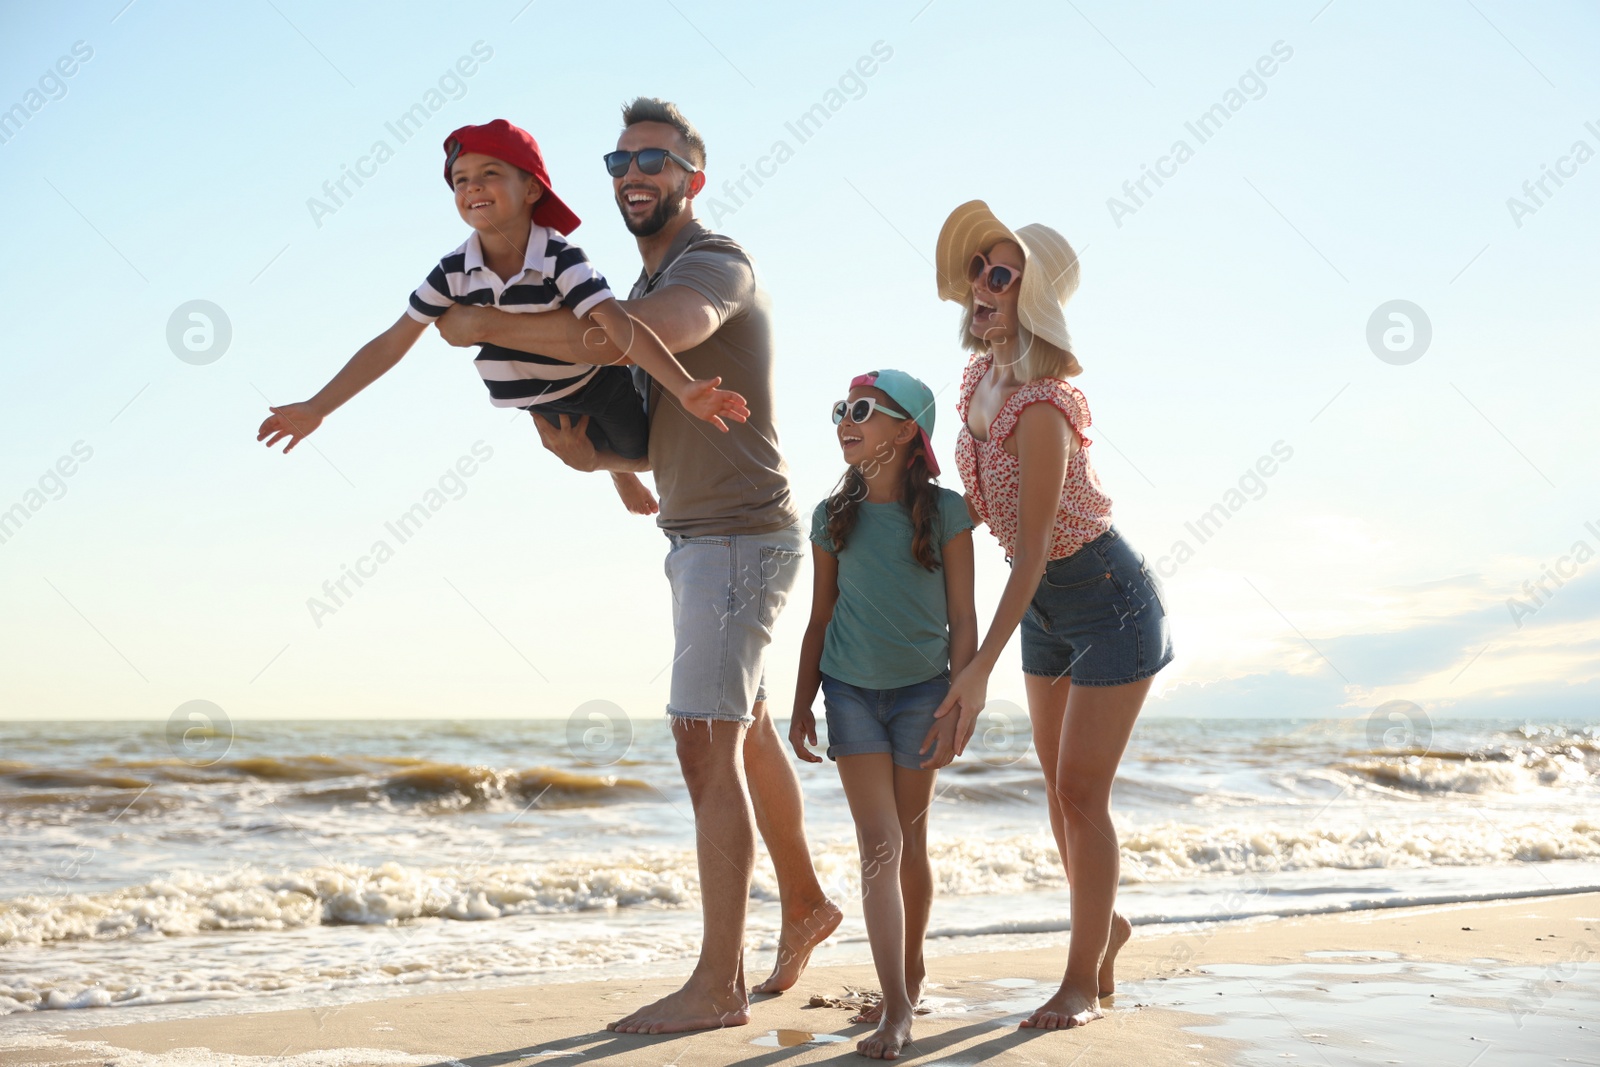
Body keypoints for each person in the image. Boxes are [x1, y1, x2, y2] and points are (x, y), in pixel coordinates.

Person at [428, 98, 843, 1034]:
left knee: (702, 739)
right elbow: (665, 424)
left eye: (654, 161)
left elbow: (619, 334)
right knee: (744, 734)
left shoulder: (712, 263)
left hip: (738, 535)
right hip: (704, 530)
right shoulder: (644, 270)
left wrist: (481, 321)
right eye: (619, 162)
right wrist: (606, 461)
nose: (633, 176)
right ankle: (809, 903)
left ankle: (718, 985)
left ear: (694, 175)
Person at [929, 201, 1173, 1030]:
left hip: (1107, 597)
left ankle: (1080, 982)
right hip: (1044, 607)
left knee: (1079, 794)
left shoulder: (1042, 406)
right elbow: (978, 512)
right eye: (979, 271)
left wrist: (977, 666)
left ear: (1032, 298)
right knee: (1056, 791)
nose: (983, 287)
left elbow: (1031, 551)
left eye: (1003, 275)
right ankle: (1106, 926)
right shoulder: (975, 383)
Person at [255, 118, 748, 518]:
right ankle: (609, 467)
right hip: (532, 400)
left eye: (490, 173)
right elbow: (392, 341)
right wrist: (319, 406)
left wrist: (684, 388)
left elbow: (617, 328)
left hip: (592, 384)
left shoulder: (560, 259)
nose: (473, 187)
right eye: (462, 180)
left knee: (641, 449)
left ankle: (619, 471)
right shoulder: (452, 272)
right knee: (573, 445)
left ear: (532, 189)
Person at [789, 370, 977, 1060]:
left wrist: (962, 697)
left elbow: (964, 619)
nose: (845, 418)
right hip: (849, 692)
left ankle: (912, 970)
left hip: (924, 695)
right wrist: (803, 698)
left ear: (905, 431)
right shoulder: (831, 515)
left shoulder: (950, 513)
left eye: (861, 410)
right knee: (879, 847)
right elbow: (819, 617)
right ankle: (896, 1003)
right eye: (841, 408)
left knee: (912, 844)